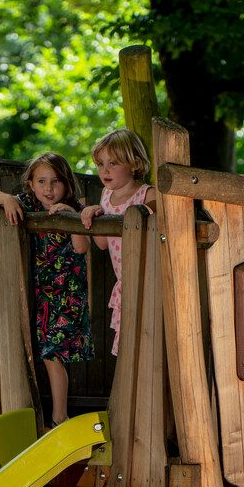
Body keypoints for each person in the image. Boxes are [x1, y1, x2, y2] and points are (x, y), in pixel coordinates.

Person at [0, 152, 92, 428]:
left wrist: (72, 217)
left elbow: (82, 248)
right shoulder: (29, 203)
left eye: (55, 181)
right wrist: (7, 199)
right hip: (38, 295)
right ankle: (48, 415)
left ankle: (59, 418)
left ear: (66, 184)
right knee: (41, 353)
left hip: (66, 296)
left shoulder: (75, 208)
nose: (48, 188)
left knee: (52, 356)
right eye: (41, 181)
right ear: (31, 184)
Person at [80, 129, 156, 357]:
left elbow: (156, 223)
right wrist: (93, 215)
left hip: (149, 278)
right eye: (101, 164)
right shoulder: (105, 196)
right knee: (129, 344)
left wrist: (145, 212)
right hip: (124, 281)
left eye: (113, 163)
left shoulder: (147, 194)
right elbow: (102, 244)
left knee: (147, 338)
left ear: (134, 164)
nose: (105, 170)